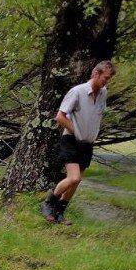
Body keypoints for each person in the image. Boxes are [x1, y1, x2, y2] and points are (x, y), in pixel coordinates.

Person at [42, 60, 115, 224]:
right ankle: (49, 203)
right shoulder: (77, 91)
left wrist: (90, 132)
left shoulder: (103, 93)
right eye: (106, 77)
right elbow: (60, 116)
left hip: (87, 144)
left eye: (108, 79)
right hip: (71, 140)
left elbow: (97, 116)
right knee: (73, 178)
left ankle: (59, 214)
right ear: (96, 73)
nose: (106, 81)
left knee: (77, 182)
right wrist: (77, 130)